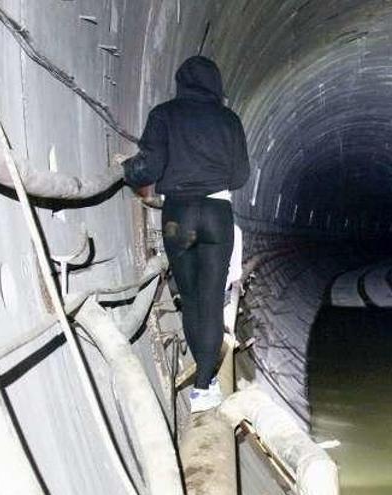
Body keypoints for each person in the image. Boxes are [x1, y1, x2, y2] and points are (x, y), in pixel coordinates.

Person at [120, 56, 250, 413]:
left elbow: (149, 167)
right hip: (215, 214)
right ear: (216, 86)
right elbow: (240, 177)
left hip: (178, 216)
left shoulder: (164, 115)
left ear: (181, 83)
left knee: (190, 297)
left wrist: (127, 168)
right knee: (210, 298)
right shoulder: (229, 120)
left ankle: (202, 381)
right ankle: (206, 386)